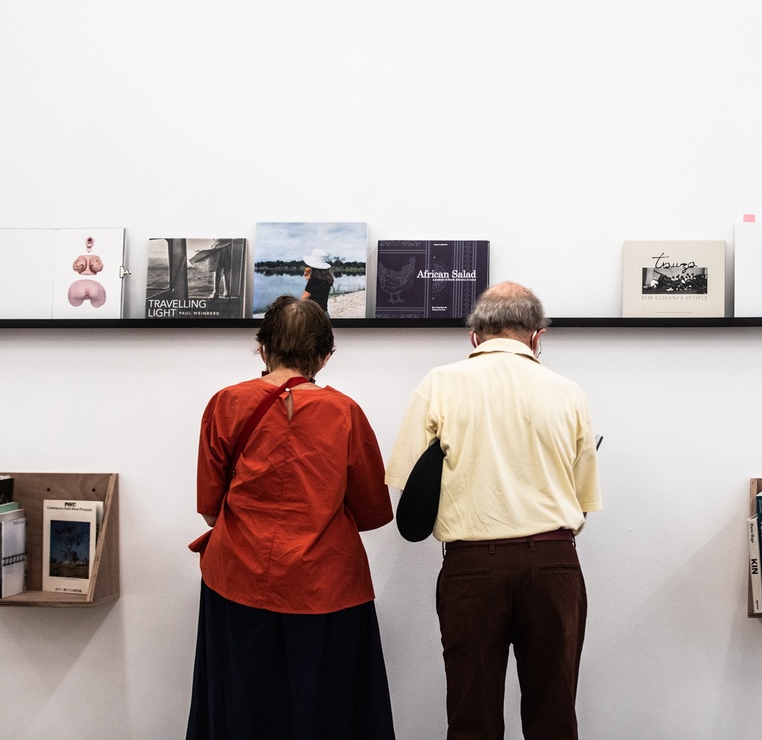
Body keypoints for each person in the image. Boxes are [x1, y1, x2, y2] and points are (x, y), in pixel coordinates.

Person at [385, 281, 602, 740]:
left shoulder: (439, 384)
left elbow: (407, 481)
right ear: (537, 337)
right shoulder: (569, 391)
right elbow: (584, 500)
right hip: (554, 564)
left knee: (471, 715)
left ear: (474, 337)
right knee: (554, 714)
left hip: (470, 567)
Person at [187, 295, 396, 740]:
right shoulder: (346, 413)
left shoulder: (226, 403)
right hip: (326, 586)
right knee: (327, 708)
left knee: (241, 704)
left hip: (237, 579)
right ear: (325, 356)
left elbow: (209, 509)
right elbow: (375, 512)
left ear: (262, 348)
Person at [301, 248, 335, 313]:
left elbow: (303, 299)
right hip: (324, 312)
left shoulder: (314, 280)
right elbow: (317, 293)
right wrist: (308, 279)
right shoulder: (327, 279)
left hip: (314, 313)